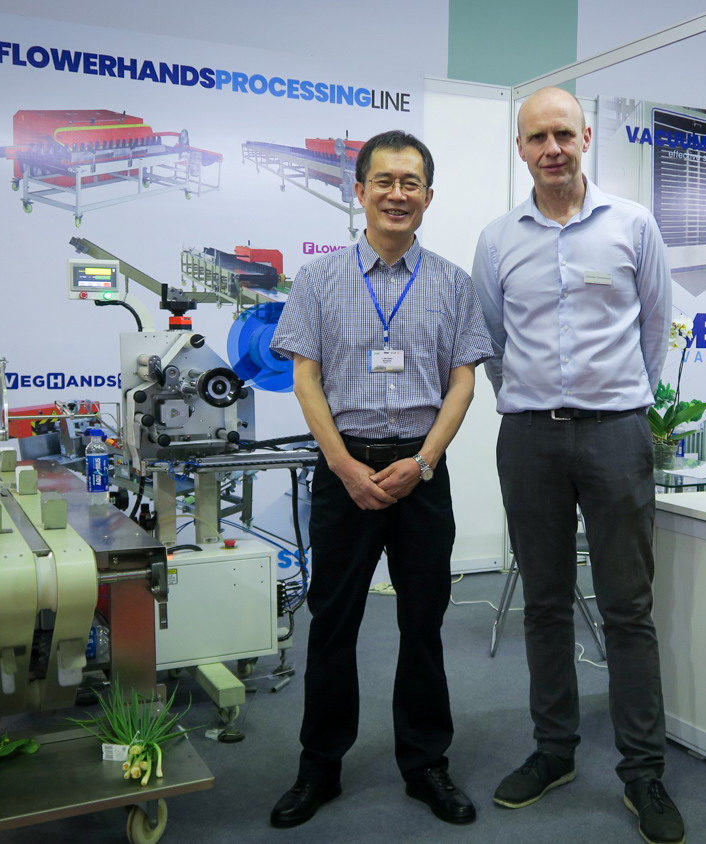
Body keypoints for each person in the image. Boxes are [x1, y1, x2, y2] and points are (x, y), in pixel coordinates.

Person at [471, 87, 682, 844]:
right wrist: (536, 400)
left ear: (586, 136)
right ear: (521, 149)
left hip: (616, 435)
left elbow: (654, 328)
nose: (552, 148)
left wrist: (615, 401)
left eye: (563, 133)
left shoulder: (633, 225)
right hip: (529, 438)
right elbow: (493, 340)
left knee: (628, 608)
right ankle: (553, 751)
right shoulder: (498, 239)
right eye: (538, 138)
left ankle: (643, 771)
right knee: (545, 603)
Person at [268, 129, 494, 829]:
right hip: (345, 470)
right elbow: (305, 378)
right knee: (333, 622)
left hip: (421, 474)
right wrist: (342, 464)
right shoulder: (318, 279)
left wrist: (423, 462)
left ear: (428, 196)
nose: (398, 194)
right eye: (385, 181)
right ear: (360, 190)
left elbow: (463, 382)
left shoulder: (453, 284)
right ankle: (320, 766)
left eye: (411, 183)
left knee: (423, 623)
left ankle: (426, 763)